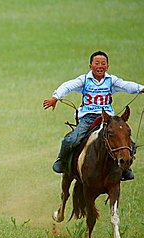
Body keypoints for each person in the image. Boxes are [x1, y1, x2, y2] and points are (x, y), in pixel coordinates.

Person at [43, 50, 144, 180]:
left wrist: (140, 88)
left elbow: (126, 85)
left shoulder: (111, 80)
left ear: (107, 66)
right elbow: (68, 86)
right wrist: (55, 97)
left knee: (130, 143)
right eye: (97, 63)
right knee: (71, 139)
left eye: (103, 63)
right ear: (90, 66)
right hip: (88, 118)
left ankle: (125, 168)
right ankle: (62, 161)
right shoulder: (84, 80)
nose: (100, 66)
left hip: (108, 120)